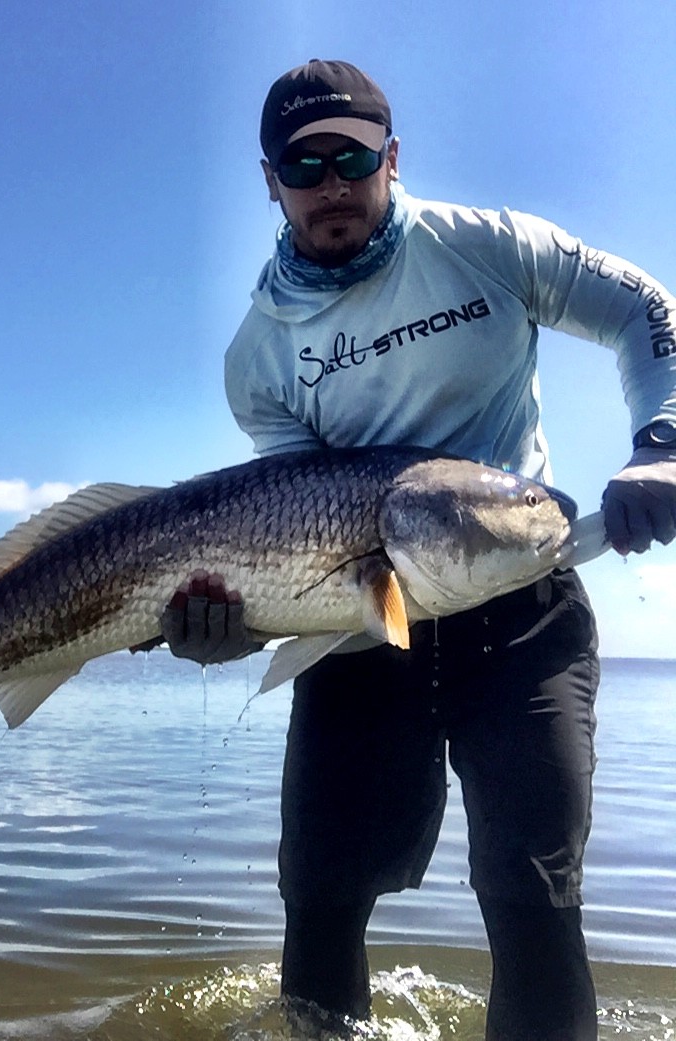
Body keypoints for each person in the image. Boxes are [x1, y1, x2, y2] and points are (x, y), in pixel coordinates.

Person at [160, 61, 676, 1040]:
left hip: (523, 611)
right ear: (268, 179)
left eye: (352, 158)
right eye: (302, 166)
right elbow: (300, 514)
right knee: (319, 895)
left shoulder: (485, 248)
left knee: (531, 890)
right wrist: (236, 618)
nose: (331, 184)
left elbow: (646, 311)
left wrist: (663, 446)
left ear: (391, 159)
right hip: (366, 623)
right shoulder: (259, 356)